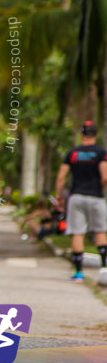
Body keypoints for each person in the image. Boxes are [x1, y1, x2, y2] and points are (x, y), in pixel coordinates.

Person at [54, 121, 107, 284]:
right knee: (100, 231)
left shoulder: (73, 153)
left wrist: (59, 198)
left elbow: (61, 177)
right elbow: (105, 176)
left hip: (76, 197)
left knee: (78, 233)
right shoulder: (101, 153)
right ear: (96, 135)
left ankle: (78, 273)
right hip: (96, 196)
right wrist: (100, 188)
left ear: (81, 135)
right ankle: (104, 270)